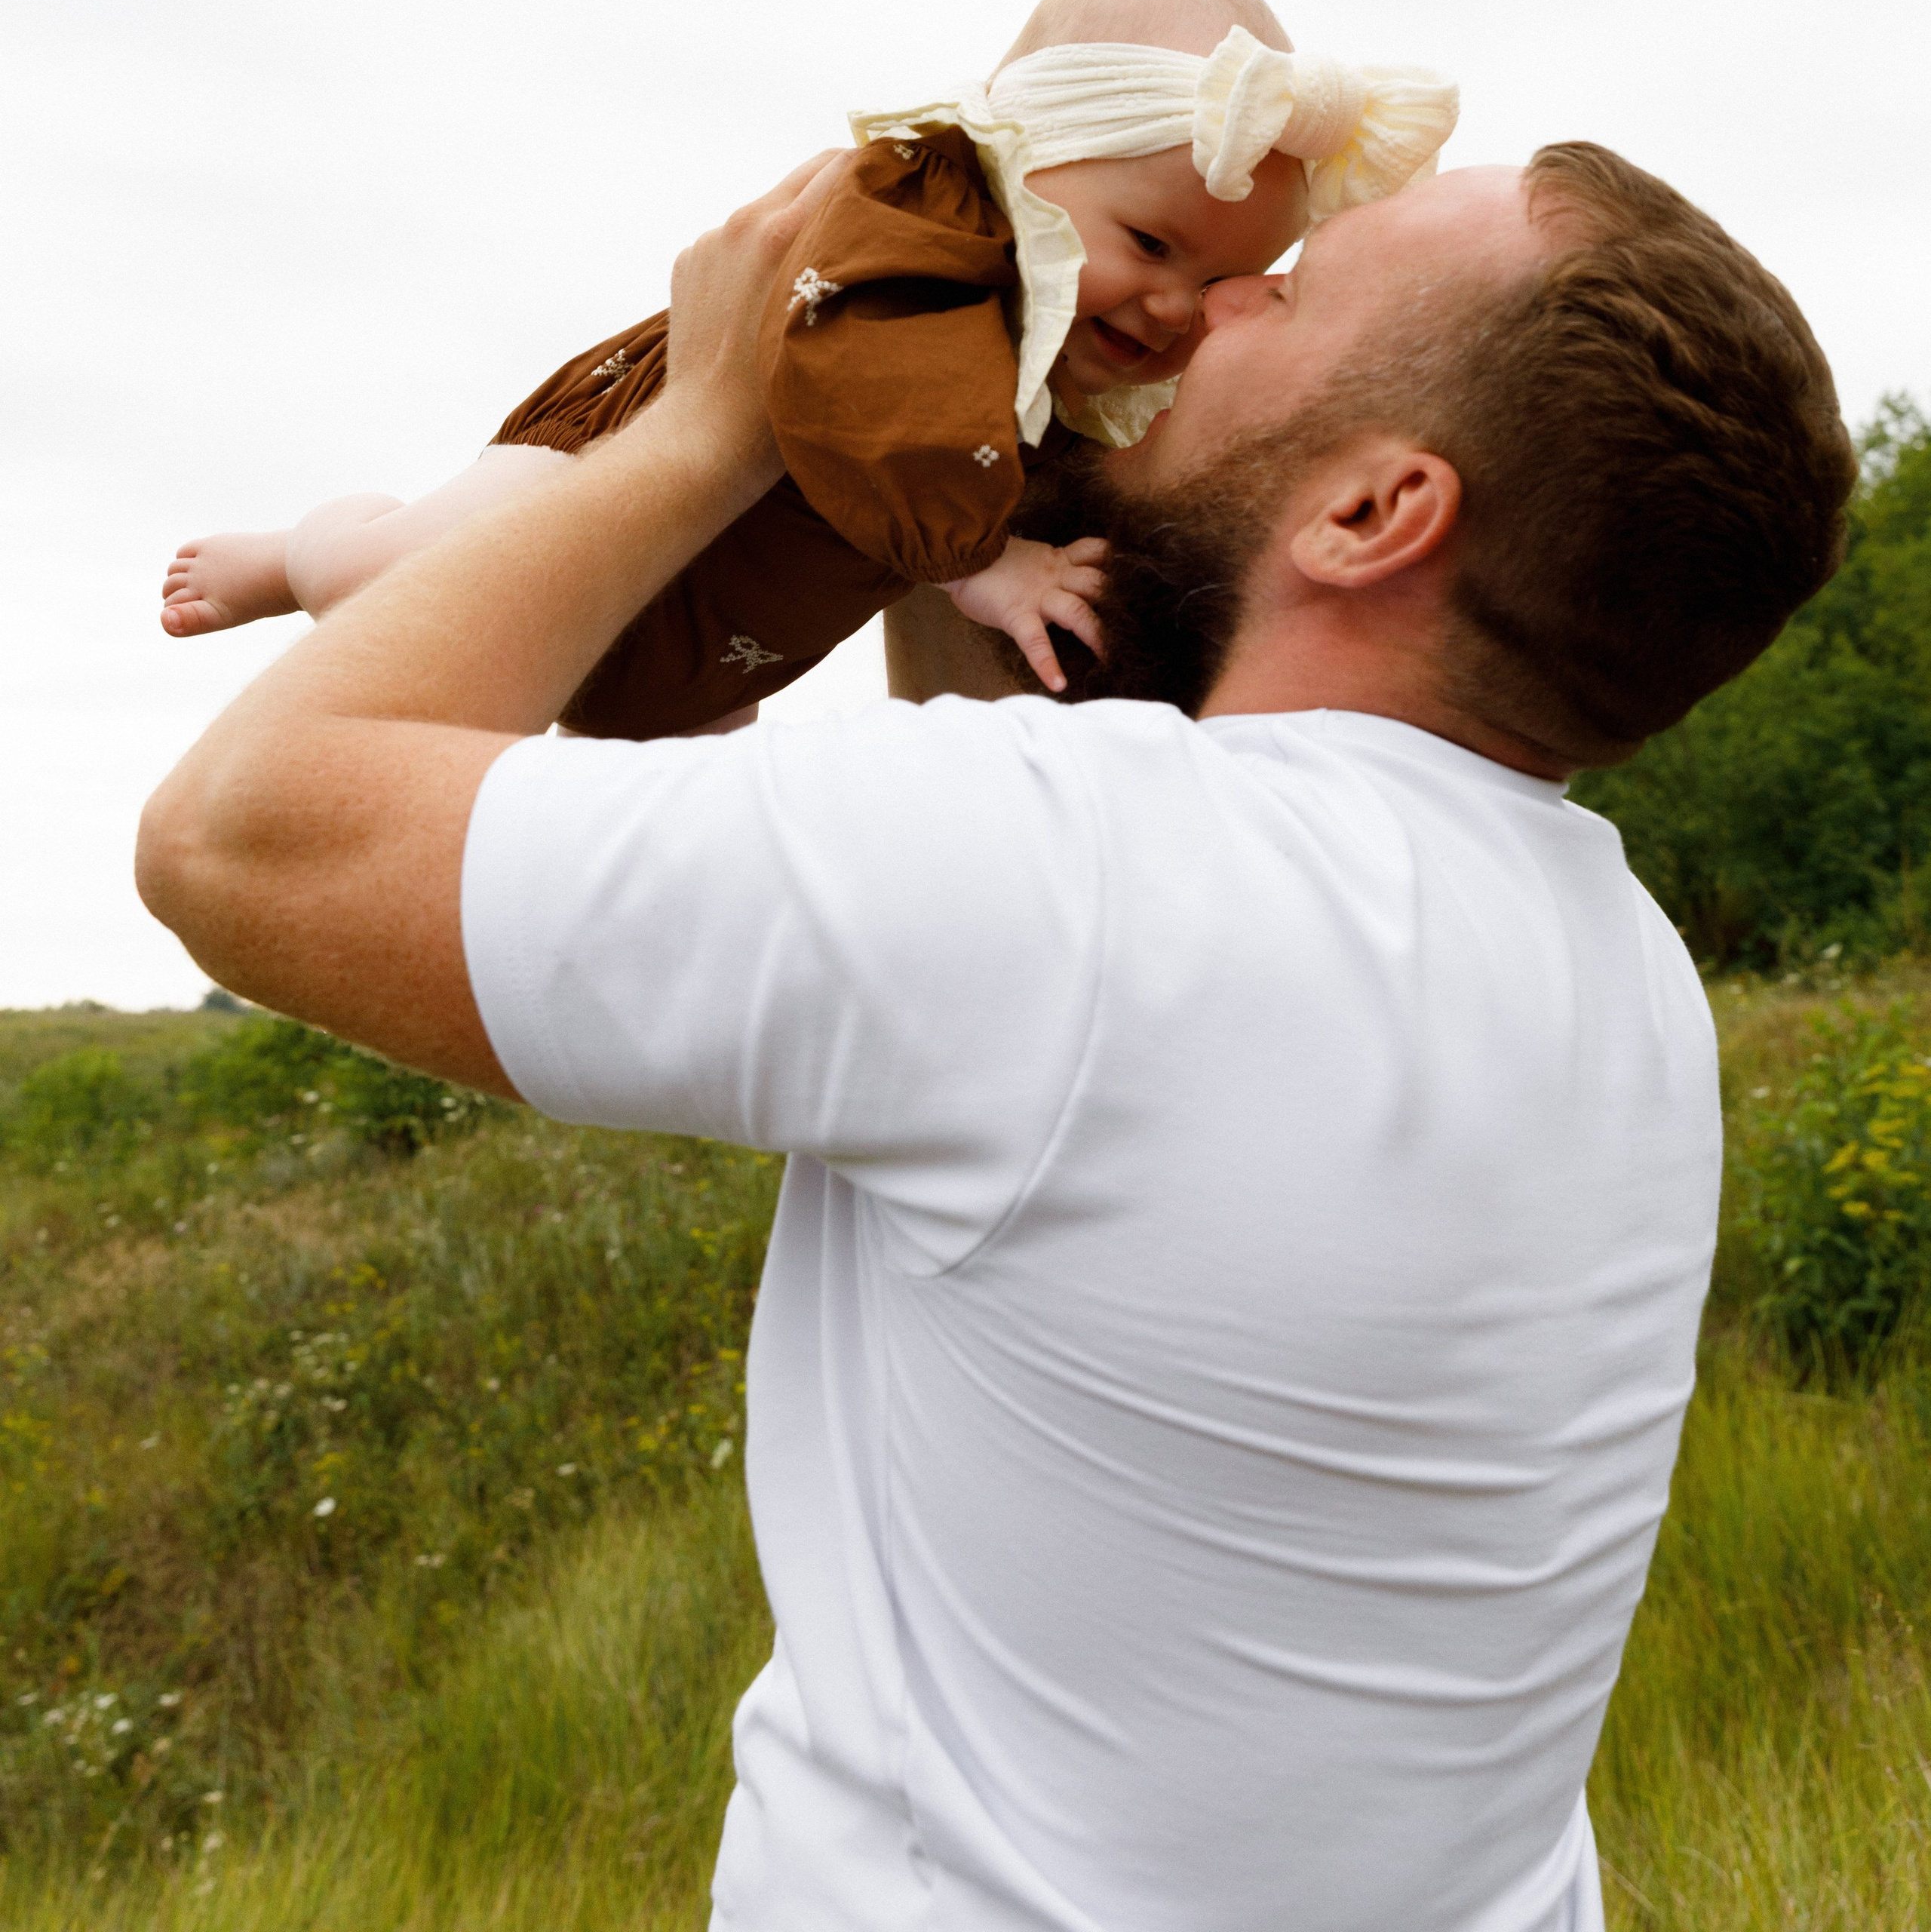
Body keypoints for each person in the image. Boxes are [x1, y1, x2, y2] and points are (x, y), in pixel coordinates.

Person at [137, 134, 1856, 1932]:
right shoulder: (1622, 970)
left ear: (1370, 513)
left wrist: (716, 417)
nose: (1227, 292)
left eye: (1299, 288)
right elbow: (1037, 795)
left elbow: (244, 837)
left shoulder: (1093, 877)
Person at [156, 0, 1456, 720]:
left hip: (733, 603)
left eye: (1234, 276)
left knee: (670, 746)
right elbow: (859, 376)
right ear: (1027, 164)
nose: (1179, 310)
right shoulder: (920, 219)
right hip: (613, 459)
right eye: (1153, 245)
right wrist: (984, 568)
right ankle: (306, 549)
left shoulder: (1078, 359)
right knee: (397, 603)